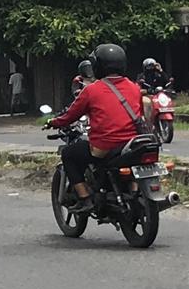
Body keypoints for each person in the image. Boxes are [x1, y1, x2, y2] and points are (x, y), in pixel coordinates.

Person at [48, 44, 147, 214]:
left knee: (69, 154)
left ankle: (85, 198)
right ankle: (132, 190)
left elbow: (70, 115)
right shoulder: (134, 87)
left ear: (97, 66)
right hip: (132, 144)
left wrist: (54, 122)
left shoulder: (91, 90)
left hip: (106, 147)